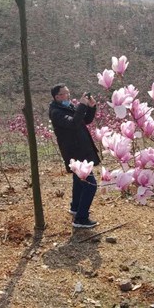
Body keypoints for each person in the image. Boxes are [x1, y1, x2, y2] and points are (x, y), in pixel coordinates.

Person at [49, 83, 101, 228]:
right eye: (65, 93)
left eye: (68, 92)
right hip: (75, 153)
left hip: (80, 150)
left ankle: (75, 207)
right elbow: (73, 123)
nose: (68, 96)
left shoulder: (67, 106)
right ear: (57, 97)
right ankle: (81, 219)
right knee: (91, 185)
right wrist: (82, 106)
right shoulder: (56, 112)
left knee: (78, 181)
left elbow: (85, 121)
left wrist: (91, 107)